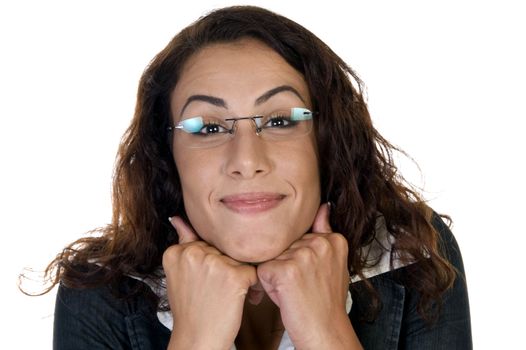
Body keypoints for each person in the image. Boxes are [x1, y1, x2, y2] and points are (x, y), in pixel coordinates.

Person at [43, 5, 471, 349]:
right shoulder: (97, 289)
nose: (247, 160)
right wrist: (197, 341)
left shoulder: (413, 249)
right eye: (207, 127)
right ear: (167, 156)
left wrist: (325, 332)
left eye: (281, 120)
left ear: (327, 141)